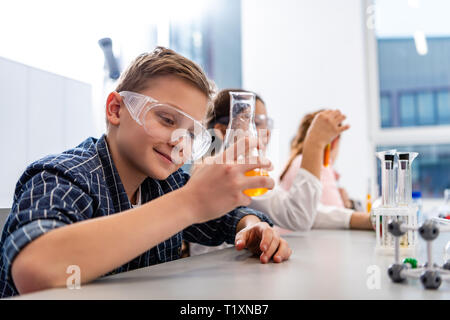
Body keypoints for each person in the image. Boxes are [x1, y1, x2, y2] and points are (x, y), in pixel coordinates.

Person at [0, 48, 292, 298]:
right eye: (167, 119)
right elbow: (35, 268)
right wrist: (190, 202)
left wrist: (252, 226)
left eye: (192, 134)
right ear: (116, 109)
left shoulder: (164, 184)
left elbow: (225, 220)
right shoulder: (64, 175)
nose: (180, 141)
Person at [189, 89, 371, 257]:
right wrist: (314, 142)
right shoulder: (222, 175)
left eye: (266, 123)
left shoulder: (243, 173)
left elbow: (293, 209)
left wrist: (362, 220)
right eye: (255, 122)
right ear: (222, 131)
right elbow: (298, 215)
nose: (266, 131)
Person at [279, 110, 373, 229]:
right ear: (332, 142)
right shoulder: (318, 164)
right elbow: (335, 217)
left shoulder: (297, 161)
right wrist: (347, 206)